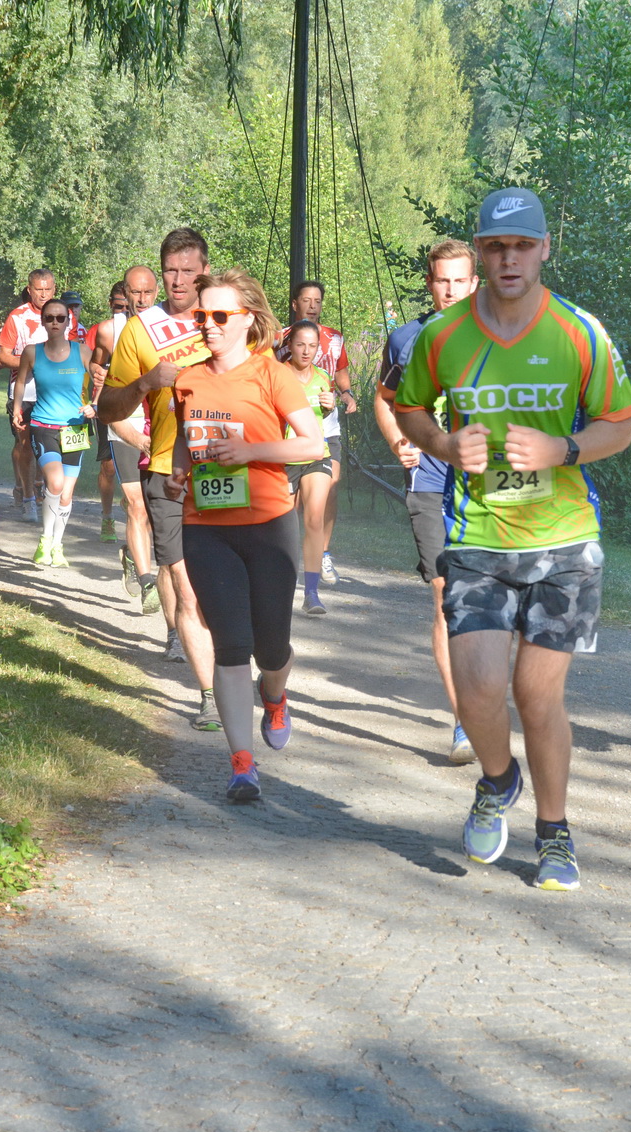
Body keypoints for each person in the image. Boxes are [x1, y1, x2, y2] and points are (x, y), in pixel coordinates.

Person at [394, 187, 631, 893]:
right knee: (476, 687)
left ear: (543, 250)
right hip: (476, 535)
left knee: (536, 695)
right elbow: (407, 407)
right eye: (495, 247)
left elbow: (619, 425)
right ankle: (498, 780)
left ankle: (555, 832)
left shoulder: (580, 332)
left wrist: (562, 448)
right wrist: (441, 438)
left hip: (563, 540)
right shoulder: (445, 336)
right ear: (478, 252)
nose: (508, 259)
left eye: (521, 246)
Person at [166, 269, 325, 801]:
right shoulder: (186, 379)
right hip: (205, 527)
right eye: (200, 316)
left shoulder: (272, 374)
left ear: (248, 320)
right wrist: (178, 471)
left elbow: (311, 445)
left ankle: (274, 695)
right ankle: (241, 765)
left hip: (268, 524)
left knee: (271, 645)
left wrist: (251, 453)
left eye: (219, 316)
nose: (206, 325)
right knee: (231, 644)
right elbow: (190, 441)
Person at [98, 228, 224, 730]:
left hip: (227, 466)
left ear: (204, 269)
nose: (176, 281)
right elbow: (108, 407)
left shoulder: (225, 314)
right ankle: (209, 693)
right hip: (168, 466)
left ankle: (247, 663)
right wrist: (147, 383)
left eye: (187, 270)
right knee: (186, 585)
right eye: (169, 270)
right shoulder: (139, 331)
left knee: (229, 580)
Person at [374, 237, 480, 764]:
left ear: (475, 284)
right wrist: (398, 441)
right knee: (445, 599)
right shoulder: (407, 340)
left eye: (460, 281)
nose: (451, 290)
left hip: (488, 492)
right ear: (430, 283)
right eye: (443, 281)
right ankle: (464, 721)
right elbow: (384, 398)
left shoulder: (502, 339)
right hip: (431, 486)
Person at [91, 267, 161, 616]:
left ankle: (134, 554)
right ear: (125, 293)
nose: (143, 300)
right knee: (135, 504)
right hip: (125, 421)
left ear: (157, 291)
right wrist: (95, 378)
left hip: (162, 423)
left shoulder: (172, 326)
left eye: (148, 292)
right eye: (136, 293)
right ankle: (149, 581)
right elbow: (97, 369)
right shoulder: (108, 330)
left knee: (151, 508)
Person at [276, 280, 355, 585]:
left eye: (318, 300)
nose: (313, 305)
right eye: (307, 300)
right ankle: (292, 551)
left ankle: (323, 553)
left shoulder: (334, 338)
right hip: (292, 425)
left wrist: (346, 395)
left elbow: (341, 373)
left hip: (326, 420)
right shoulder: (280, 337)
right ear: (294, 303)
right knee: (292, 500)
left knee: (330, 483)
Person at [18, 299, 94, 567]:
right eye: (49, 317)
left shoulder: (83, 352)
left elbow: (101, 382)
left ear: (68, 321)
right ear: (42, 320)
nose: (55, 323)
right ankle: (45, 540)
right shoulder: (32, 351)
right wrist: (17, 408)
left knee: (66, 494)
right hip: (44, 426)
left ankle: (57, 545)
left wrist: (93, 406)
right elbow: (20, 380)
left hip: (75, 428)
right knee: (56, 482)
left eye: (60, 318)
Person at [279, 321, 336, 614]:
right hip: (285, 458)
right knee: (284, 525)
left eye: (312, 346)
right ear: (289, 345)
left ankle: (312, 593)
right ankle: (280, 586)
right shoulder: (276, 374)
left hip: (317, 455)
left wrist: (331, 404)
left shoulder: (324, 377)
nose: (306, 351)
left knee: (314, 519)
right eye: (300, 344)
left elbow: (326, 414)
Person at [0, 269, 58, 522]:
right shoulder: (18, 317)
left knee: (53, 446)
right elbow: (2, 357)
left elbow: (76, 351)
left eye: (48, 289)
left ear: (54, 289)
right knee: (25, 445)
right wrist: (29, 363)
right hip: (25, 391)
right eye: (38, 289)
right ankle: (29, 498)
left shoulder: (62, 315)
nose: (43, 294)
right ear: (29, 289)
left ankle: (47, 493)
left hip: (55, 393)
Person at [82, 283, 130, 543]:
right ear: (111, 304)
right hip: (107, 403)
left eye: (128, 306)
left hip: (138, 406)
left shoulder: (151, 326)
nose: (123, 310)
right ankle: (107, 515)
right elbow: (92, 362)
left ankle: (136, 513)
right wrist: (95, 372)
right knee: (109, 466)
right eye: (118, 306)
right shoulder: (103, 330)